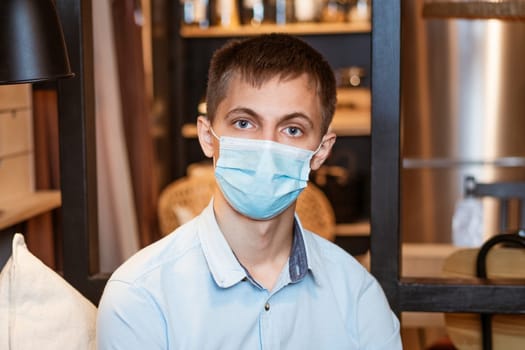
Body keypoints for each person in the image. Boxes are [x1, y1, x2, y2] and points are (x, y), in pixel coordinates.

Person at [97, 33, 402, 349]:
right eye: (244, 123)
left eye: (292, 129)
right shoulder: (139, 298)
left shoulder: (357, 296)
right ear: (207, 136)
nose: (266, 146)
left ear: (321, 152)